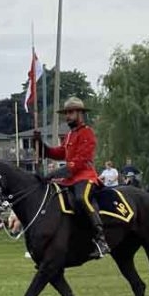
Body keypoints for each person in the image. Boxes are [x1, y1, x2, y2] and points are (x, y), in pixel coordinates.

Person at [34, 97, 110, 259]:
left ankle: (101, 239)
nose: (67, 116)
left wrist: (55, 173)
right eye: (66, 113)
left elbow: (81, 161)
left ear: (80, 114)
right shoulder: (69, 135)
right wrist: (41, 145)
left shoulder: (87, 133)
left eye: (70, 113)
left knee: (82, 198)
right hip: (70, 179)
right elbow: (59, 153)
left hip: (85, 176)